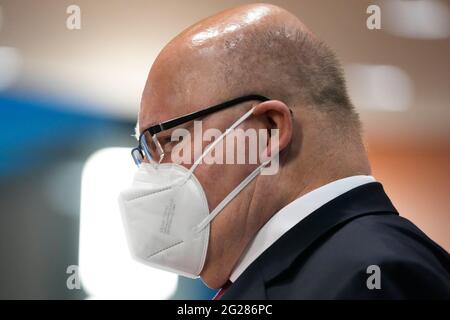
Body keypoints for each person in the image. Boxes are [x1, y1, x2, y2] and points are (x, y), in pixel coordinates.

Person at [118, 3, 450, 299]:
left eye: (170, 140)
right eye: (145, 152)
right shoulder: (304, 270)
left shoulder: (371, 276)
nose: (150, 171)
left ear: (269, 130)